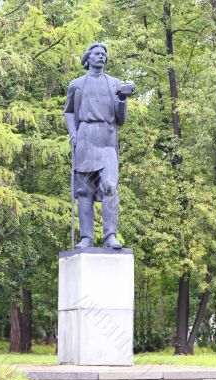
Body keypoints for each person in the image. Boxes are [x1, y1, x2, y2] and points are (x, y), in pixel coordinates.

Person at [64, 42, 133, 249]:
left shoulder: (114, 84)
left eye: (104, 54)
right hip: (85, 137)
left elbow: (121, 119)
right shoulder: (76, 84)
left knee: (110, 187)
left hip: (107, 139)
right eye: (96, 53)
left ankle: (110, 236)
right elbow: (68, 111)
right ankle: (86, 237)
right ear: (87, 59)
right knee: (85, 191)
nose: (101, 56)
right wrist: (73, 132)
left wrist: (122, 98)